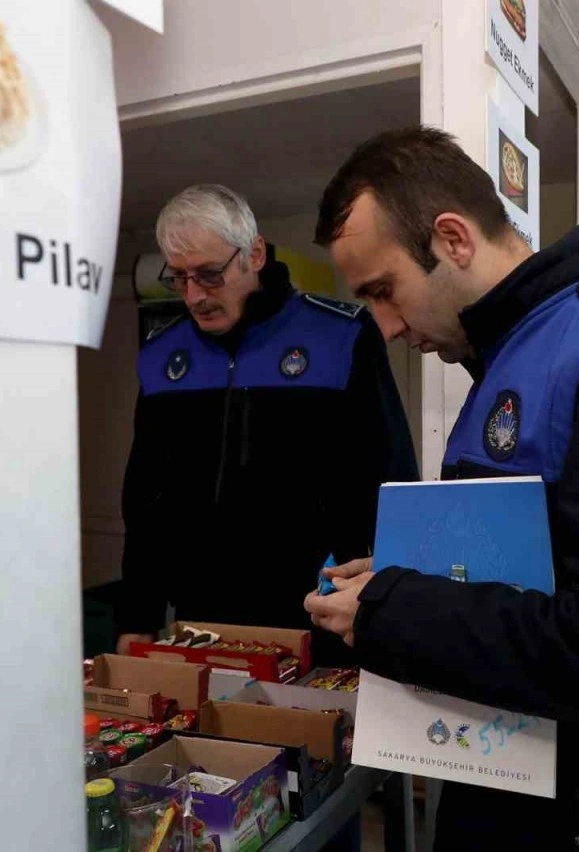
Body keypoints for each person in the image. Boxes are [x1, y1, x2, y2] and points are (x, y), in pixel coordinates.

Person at [304, 128, 579, 851]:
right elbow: (531, 578)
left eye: (384, 291)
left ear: (452, 239)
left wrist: (392, 609)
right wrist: (394, 580)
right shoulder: (506, 364)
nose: (383, 326)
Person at [116, 184, 418, 667]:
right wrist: (137, 614)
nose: (195, 296)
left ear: (254, 254)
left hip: (322, 610)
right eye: (180, 278)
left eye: (210, 274)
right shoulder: (162, 355)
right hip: (202, 618)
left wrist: (391, 607)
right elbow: (145, 500)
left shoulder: (340, 336)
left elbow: (390, 477)